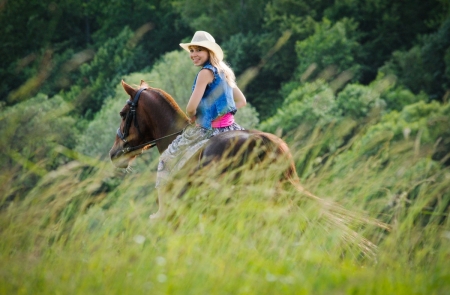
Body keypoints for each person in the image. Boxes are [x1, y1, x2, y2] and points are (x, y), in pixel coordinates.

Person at [150, 31, 247, 219]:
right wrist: (223, 113)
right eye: (192, 50)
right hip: (232, 128)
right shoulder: (225, 72)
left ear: (210, 52)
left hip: (207, 130)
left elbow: (191, 107)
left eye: (199, 50)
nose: (193, 54)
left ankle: (161, 211)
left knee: (165, 160)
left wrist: (193, 116)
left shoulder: (205, 72)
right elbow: (241, 100)